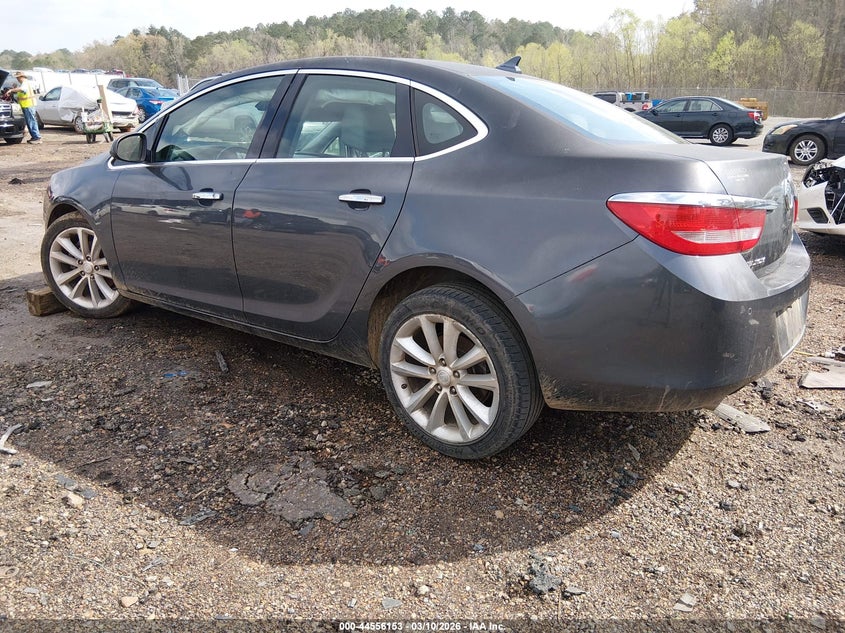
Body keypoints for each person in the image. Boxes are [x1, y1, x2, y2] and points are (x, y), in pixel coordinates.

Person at [3, 71, 42, 144]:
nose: (17, 79)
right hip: (26, 106)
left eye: (17, 78)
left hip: (28, 105)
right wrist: (14, 89)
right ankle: (34, 137)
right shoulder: (24, 84)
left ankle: (37, 137)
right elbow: (20, 92)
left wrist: (11, 90)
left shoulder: (25, 83)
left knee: (31, 122)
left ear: (21, 77)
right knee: (30, 122)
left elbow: (22, 89)